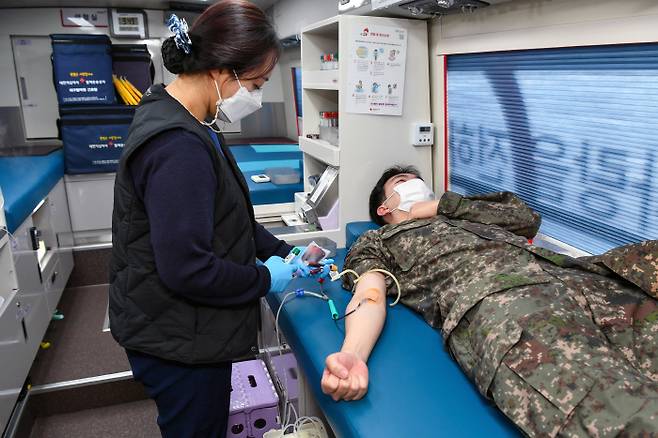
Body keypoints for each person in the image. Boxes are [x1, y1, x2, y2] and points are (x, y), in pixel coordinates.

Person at [321, 165, 658, 437]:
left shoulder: (461, 214)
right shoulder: (378, 240)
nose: (416, 184)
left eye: (420, 181)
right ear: (384, 208)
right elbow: (371, 291)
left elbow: (526, 218)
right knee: (626, 411)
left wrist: (442, 206)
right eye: (403, 181)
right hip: (504, 301)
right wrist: (353, 353)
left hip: (577, 278)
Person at [108, 2, 308, 437]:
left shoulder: (191, 118)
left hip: (180, 328)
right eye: (255, 83)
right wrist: (264, 280)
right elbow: (187, 269)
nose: (255, 95)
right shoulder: (178, 146)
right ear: (223, 73)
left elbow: (227, 216)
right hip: (177, 341)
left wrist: (285, 252)